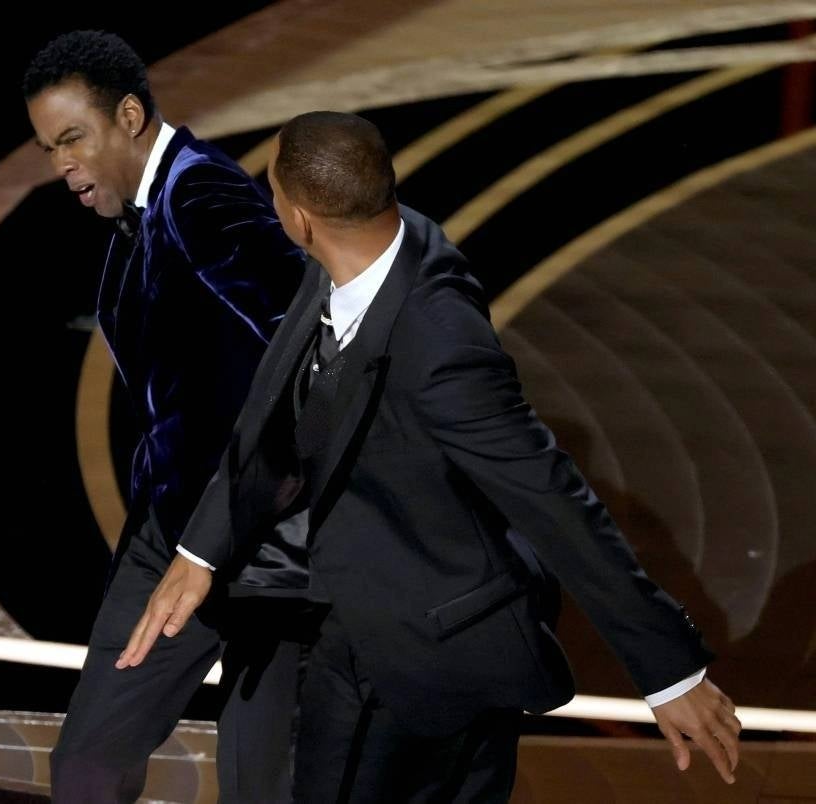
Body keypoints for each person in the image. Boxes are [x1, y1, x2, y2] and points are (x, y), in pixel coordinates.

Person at [117, 111, 743, 803]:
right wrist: (201, 551)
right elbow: (276, 408)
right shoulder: (368, 244)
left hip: (434, 657)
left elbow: (553, 499)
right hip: (365, 633)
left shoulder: (441, 346)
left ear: (298, 219)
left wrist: (669, 672)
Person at [23, 31, 320, 804]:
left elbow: (310, 328)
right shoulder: (136, 220)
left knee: (263, 786)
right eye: (49, 148)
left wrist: (251, 501)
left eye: (72, 140)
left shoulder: (200, 194)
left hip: (262, 549)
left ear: (129, 115)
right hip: (171, 538)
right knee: (88, 763)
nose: (61, 166)